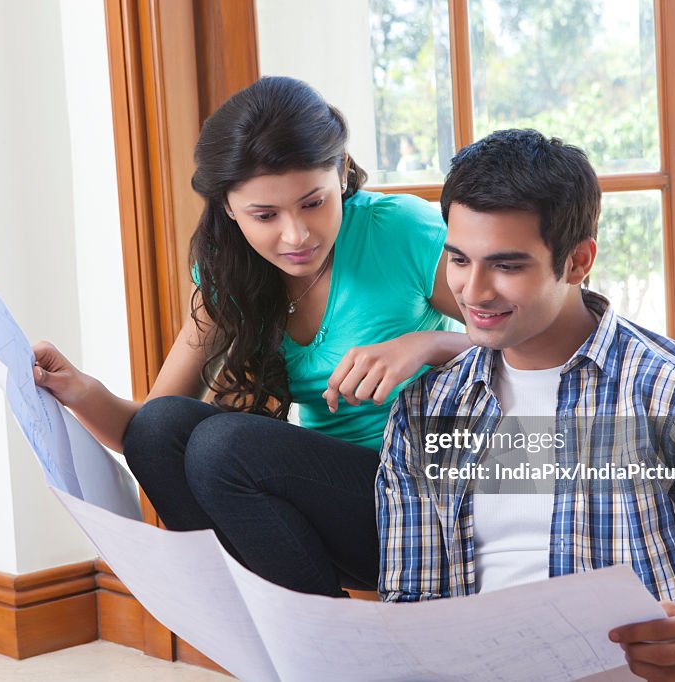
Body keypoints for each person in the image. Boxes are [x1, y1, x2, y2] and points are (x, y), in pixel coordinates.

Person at [375, 129, 675, 680]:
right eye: (460, 260)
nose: (473, 291)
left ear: (578, 260)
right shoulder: (425, 412)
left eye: (508, 266)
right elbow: (411, 607)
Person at [32, 76, 469, 598]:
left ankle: (326, 653)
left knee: (225, 446)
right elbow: (148, 435)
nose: (296, 235)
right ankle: (268, 636)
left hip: (437, 497)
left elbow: (532, 344)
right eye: (265, 215)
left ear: (342, 173)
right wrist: (79, 391)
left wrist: (428, 345)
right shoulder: (232, 273)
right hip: (335, 510)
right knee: (163, 426)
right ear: (229, 210)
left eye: (314, 203)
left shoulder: (400, 232)